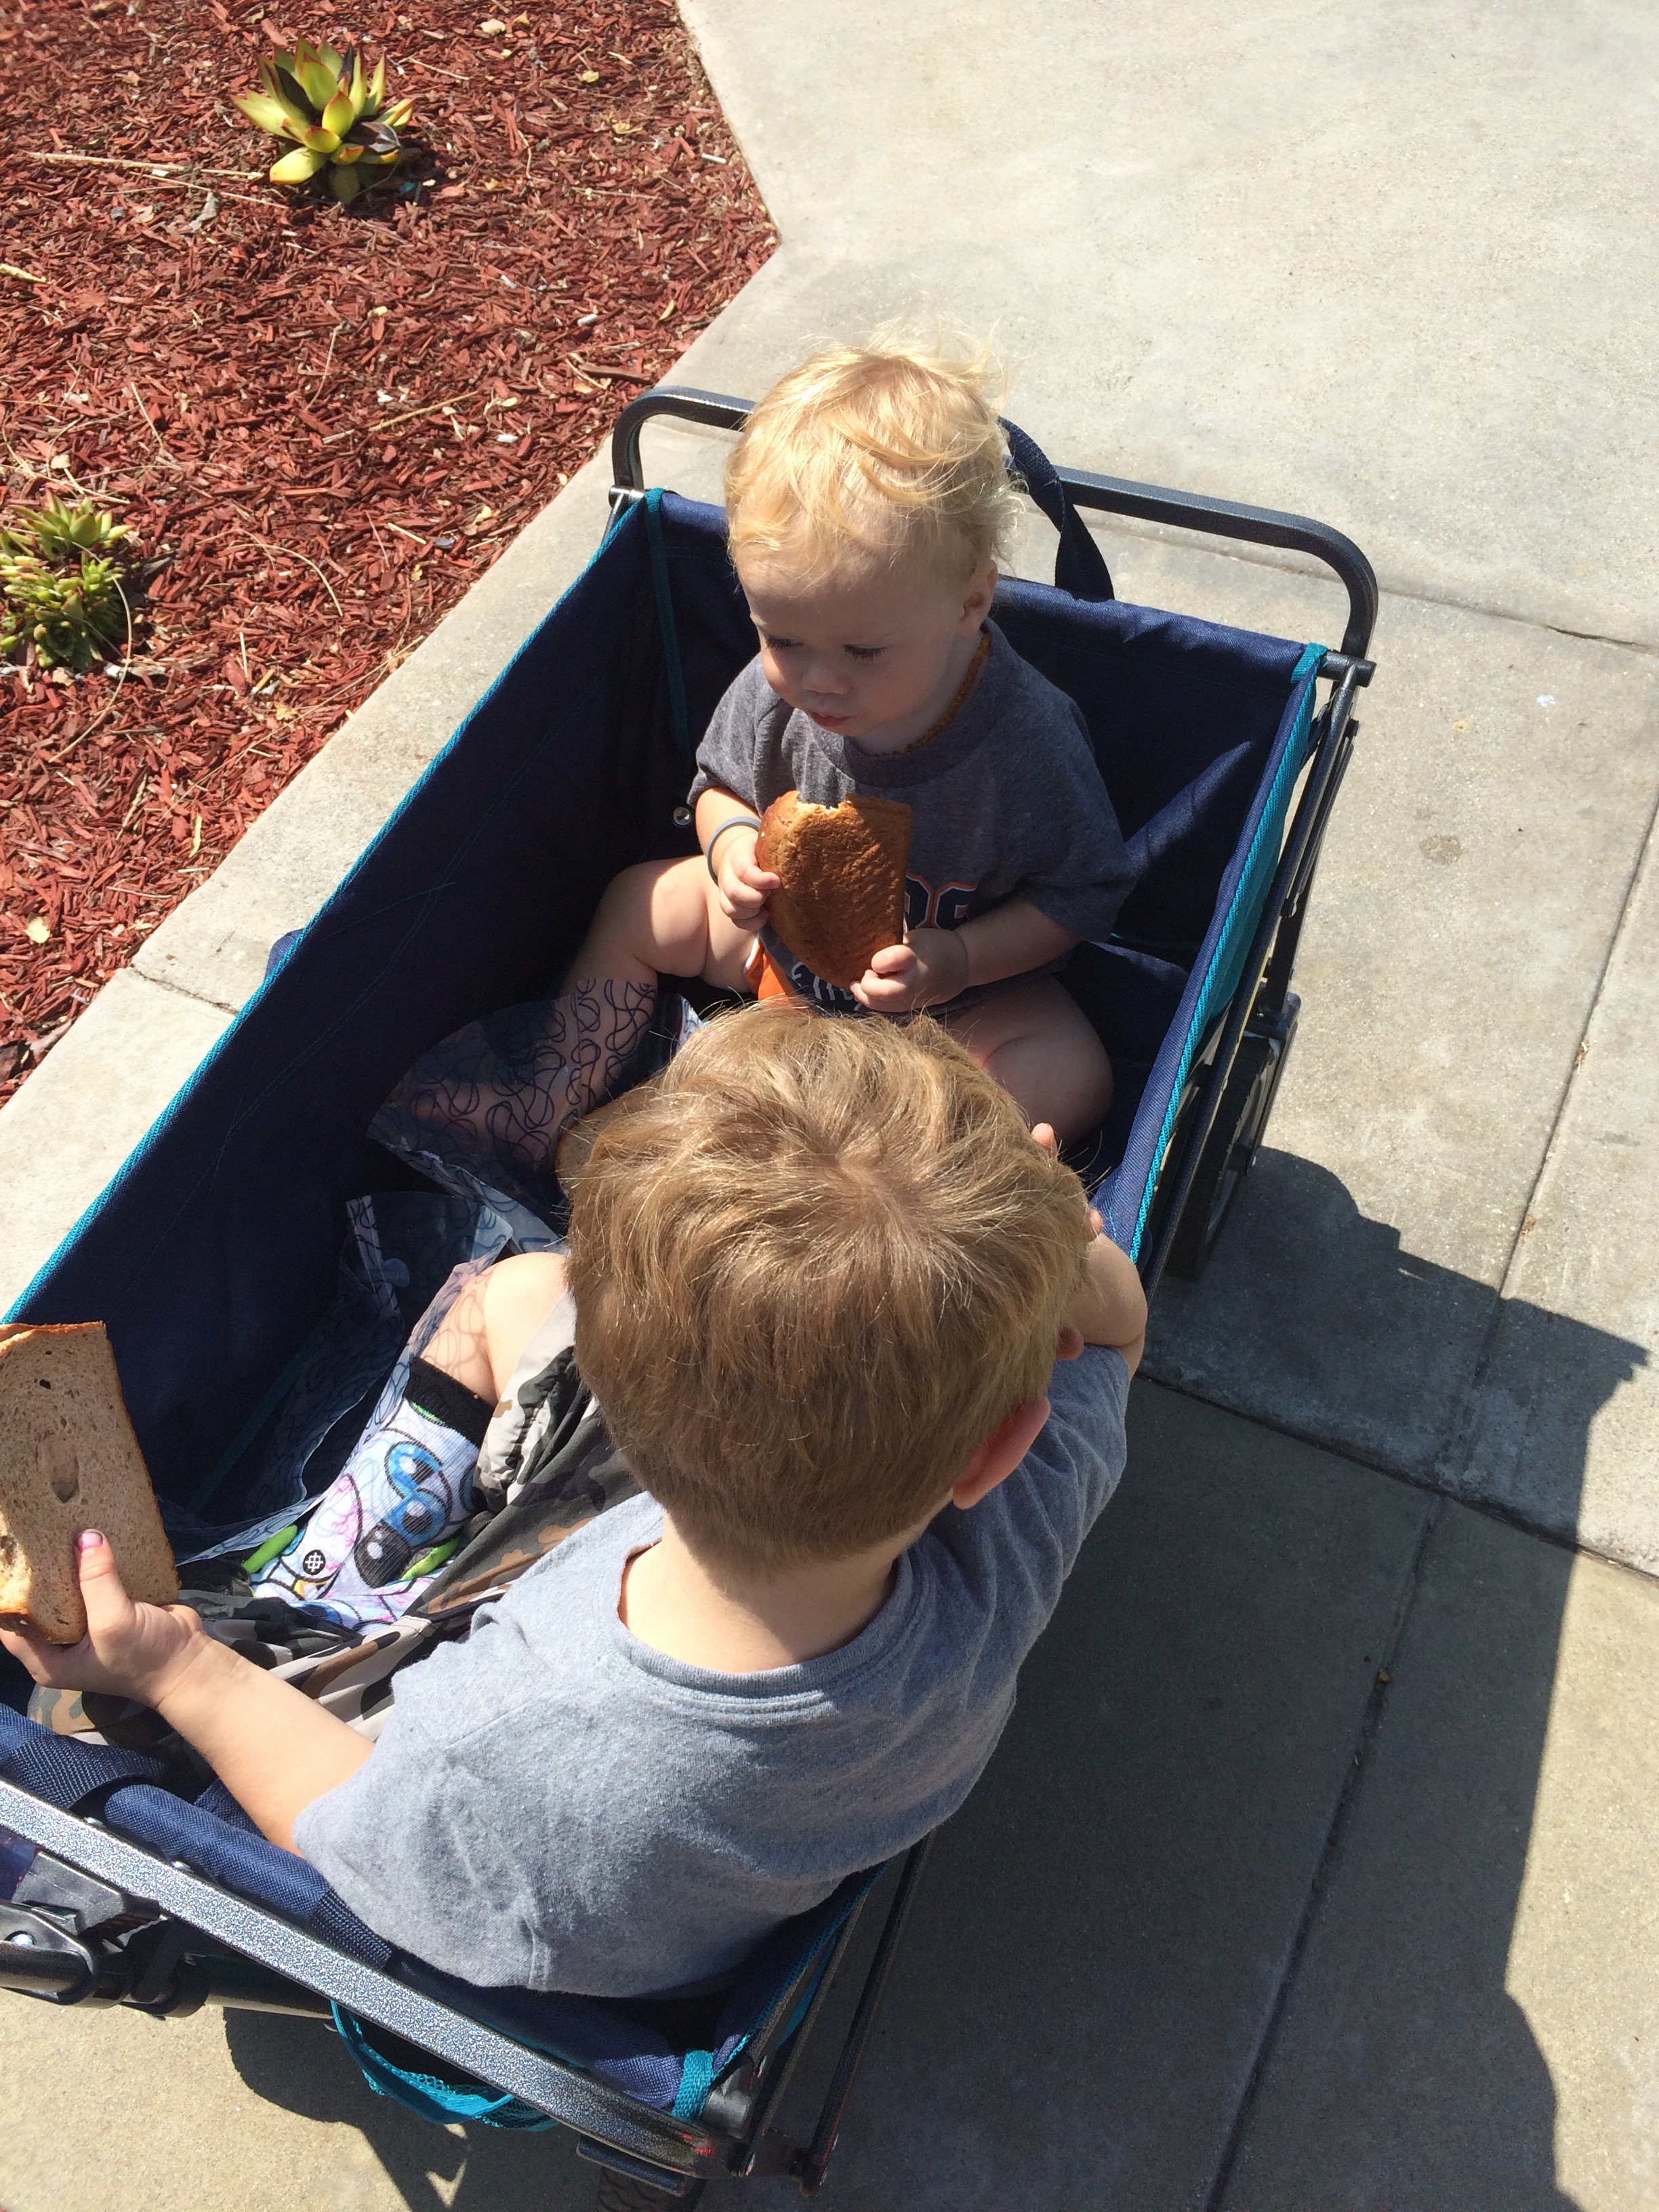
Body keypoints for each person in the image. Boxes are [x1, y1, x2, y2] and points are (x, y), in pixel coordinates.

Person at [0, 1004, 1145, 1999]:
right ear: (998, 1451)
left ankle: (353, 1559)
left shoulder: (506, 1750)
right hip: (698, 1749)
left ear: (610, 1396)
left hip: (462, 1771)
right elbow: (1118, 1329)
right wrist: (1045, 1242)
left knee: (72, 1702)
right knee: (524, 1294)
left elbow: (342, 1823)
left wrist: (179, 1671)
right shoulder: (1013, 1535)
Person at [371, 340, 1132, 1220]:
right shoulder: (782, 693)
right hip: (783, 956)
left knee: (1070, 1066)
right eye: (782, 637)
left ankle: (907, 1179)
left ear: (970, 602)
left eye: (862, 651)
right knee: (642, 900)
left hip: (949, 1006)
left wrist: (961, 960)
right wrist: (731, 849)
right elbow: (719, 784)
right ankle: (545, 1093)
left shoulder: (1025, 739)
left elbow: (1082, 896)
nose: (819, 680)